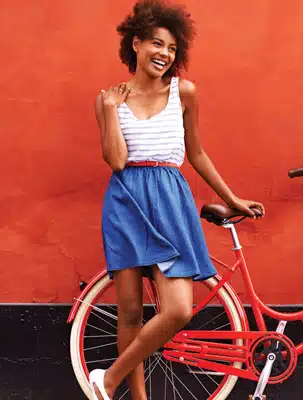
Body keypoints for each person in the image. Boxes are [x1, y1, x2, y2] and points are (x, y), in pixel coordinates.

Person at [89, 1, 265, 398]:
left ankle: (108, 379)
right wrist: (112, 111)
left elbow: (197, 154)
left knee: (179, 310)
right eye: (156, 44)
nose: (164, 54)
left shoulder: (183, 93)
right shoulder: (108, 100)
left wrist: (232, 198)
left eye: (171, 48)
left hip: (170, 201)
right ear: (136, 44)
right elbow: (117, 161)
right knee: (130, 313)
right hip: (126, 202)